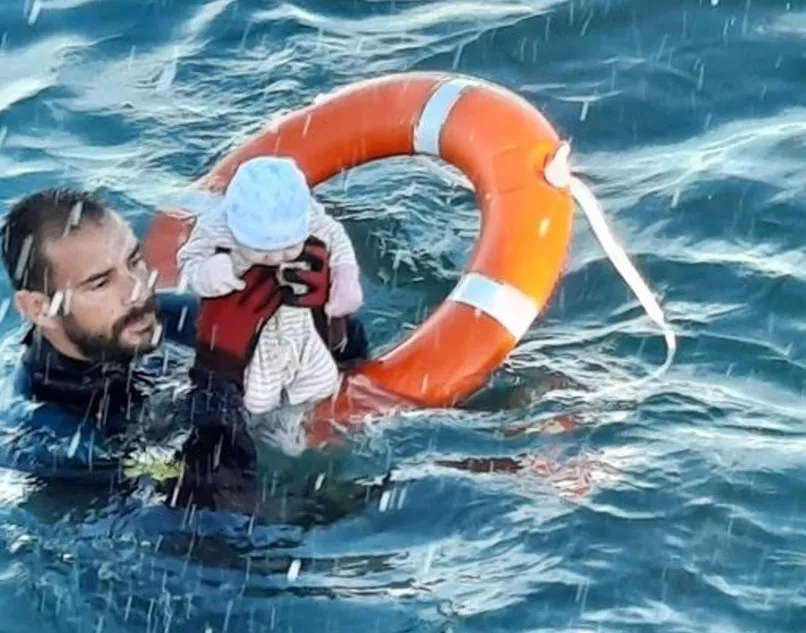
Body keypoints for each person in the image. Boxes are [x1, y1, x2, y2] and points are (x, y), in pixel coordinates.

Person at [0, 187, 370, 516]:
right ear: (38, 308)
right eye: (99, 283)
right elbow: (221, 515)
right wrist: (219, 370)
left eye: (134, 261)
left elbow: (342, 370)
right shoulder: (52, 438)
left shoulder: (170, 319)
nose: (138, 291)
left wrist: (325, 322)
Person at [176, 156, 365, 417]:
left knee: (322, 379)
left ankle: (324, 413)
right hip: (251, 342)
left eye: (289, 248)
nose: (276, 259)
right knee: (256, 401)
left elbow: (338, 241)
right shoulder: (217, 227)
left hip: (302, 328)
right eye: (263, 252)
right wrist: (211, 271)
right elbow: (191, 259)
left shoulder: (311, 218)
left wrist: (346, 280)